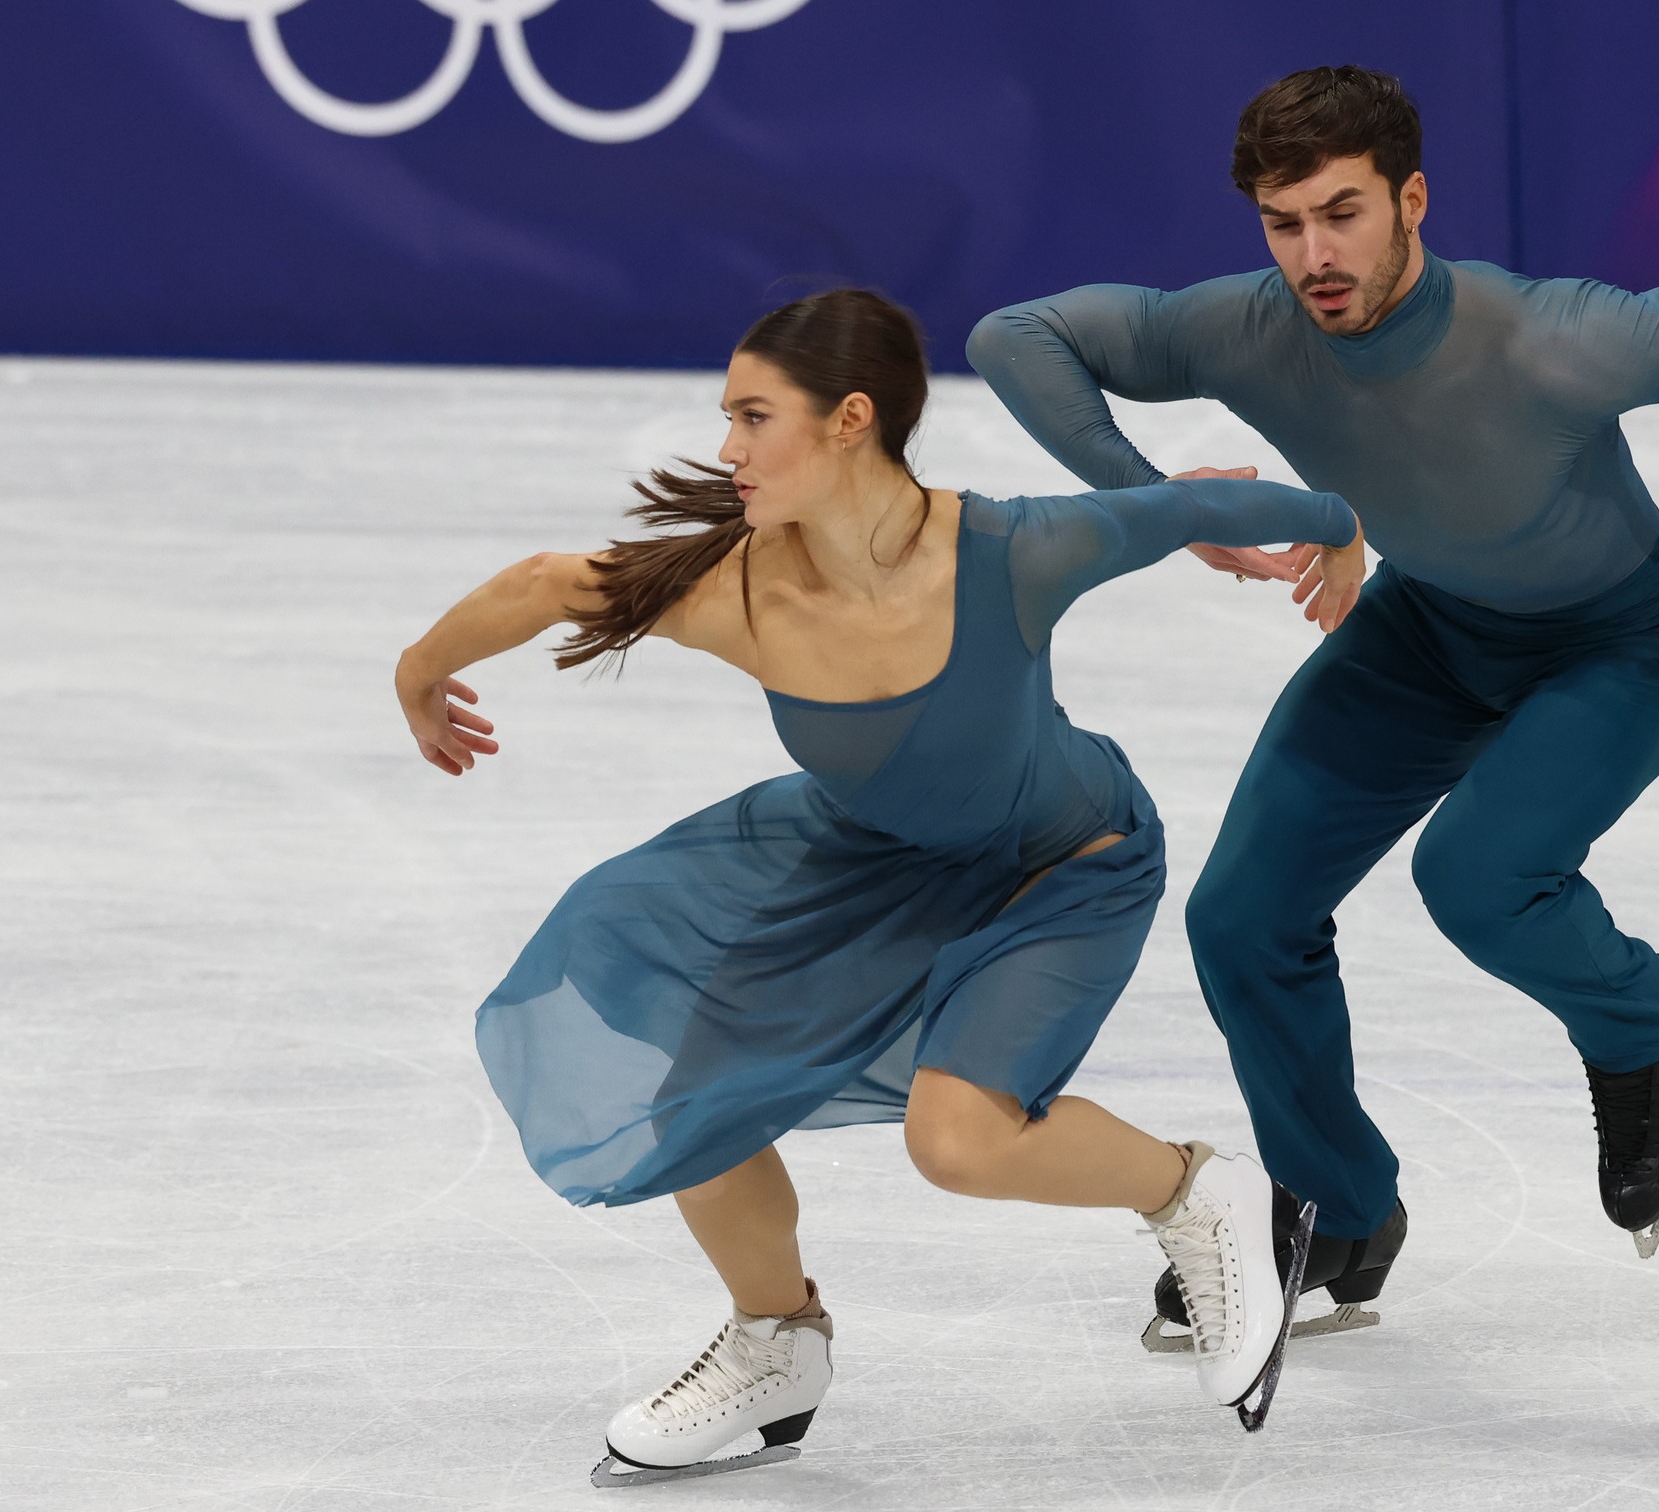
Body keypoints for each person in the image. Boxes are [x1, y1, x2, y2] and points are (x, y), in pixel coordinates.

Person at [393, 290, 1360, 1479]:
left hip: (1065, 869)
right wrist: (420, 669)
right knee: (690, 1094)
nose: (728, 450)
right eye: (728, 419)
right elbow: (548, 582)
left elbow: (1198, 504)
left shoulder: (1013, 551)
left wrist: (1337, 530)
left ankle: (1200, 1198)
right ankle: (776, 1345)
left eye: (755, 418)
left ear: (851, 419)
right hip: (870, 866)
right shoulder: (732, 590)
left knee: (959, 1142)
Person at [967, 66, 1659, 1342]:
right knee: (1241, 919)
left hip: (1625, 641)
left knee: (1479, 880)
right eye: (1284, 224)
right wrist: (1164, 511)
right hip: (1429, 632)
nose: (1315, 256)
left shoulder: (1560, 336)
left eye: (1343, 213)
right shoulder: (1242, 327)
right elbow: (1018, 337)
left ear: (1414, 200)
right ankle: (1341, 1213)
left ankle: (1651, 1021)